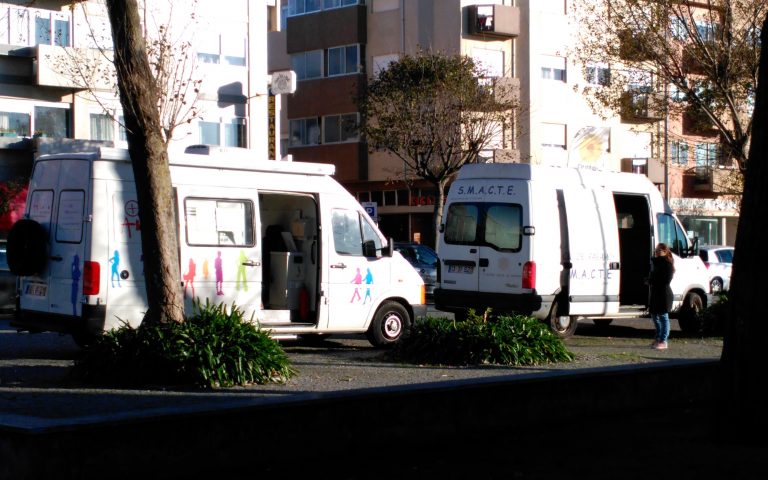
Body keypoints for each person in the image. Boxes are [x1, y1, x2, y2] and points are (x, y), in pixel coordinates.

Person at [649, 243, 675, 350]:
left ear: (665, 251)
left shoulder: (667, 264)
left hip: (664, 294)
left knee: (663, 317)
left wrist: (653, 280)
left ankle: (663, 340)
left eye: (661, 250)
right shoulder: (655, 263)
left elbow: (666, 280)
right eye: (657, 250)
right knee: (654, 316)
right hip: (656, 292)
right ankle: (658, 338)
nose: (658, 252)